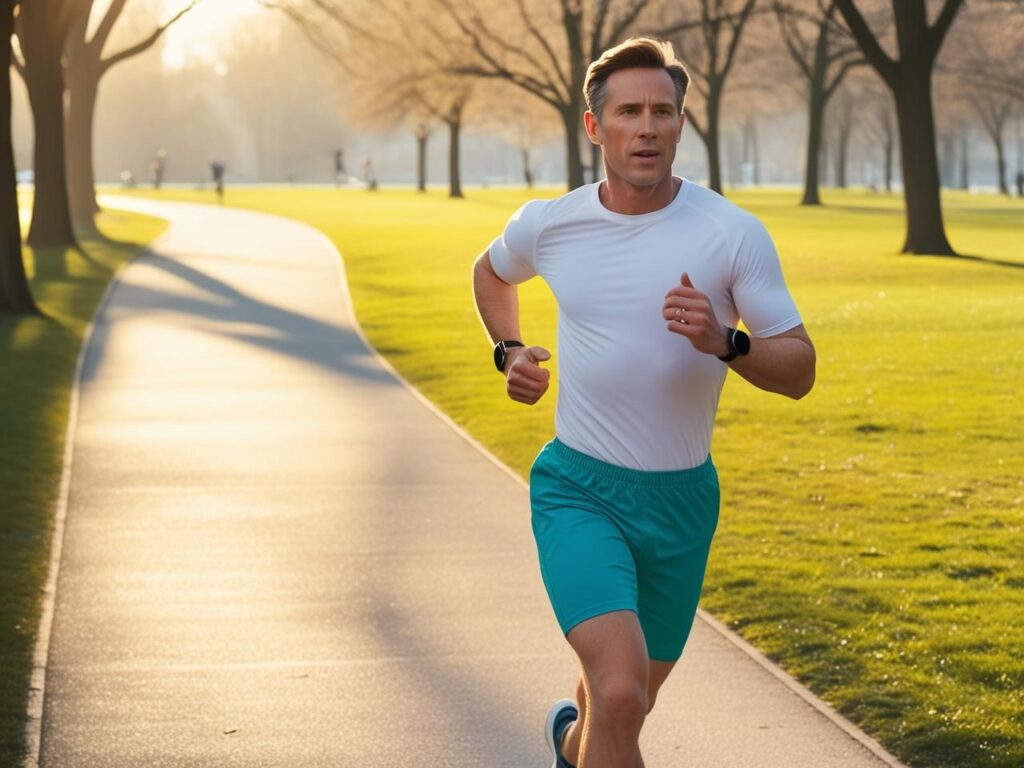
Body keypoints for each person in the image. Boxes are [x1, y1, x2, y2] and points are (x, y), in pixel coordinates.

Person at [472, 38, 815, 768]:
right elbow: (490, 272)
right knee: (622, 692)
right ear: (596, 128)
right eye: (629, 111)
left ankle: (572, 744)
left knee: (620, 706)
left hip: (683, 503)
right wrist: (509, 351)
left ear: (682, 124)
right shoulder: (551, 223)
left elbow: (800, 369)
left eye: (663, 111)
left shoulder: (729, 233)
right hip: (579, 490)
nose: (647, 127)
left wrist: (729, 342)